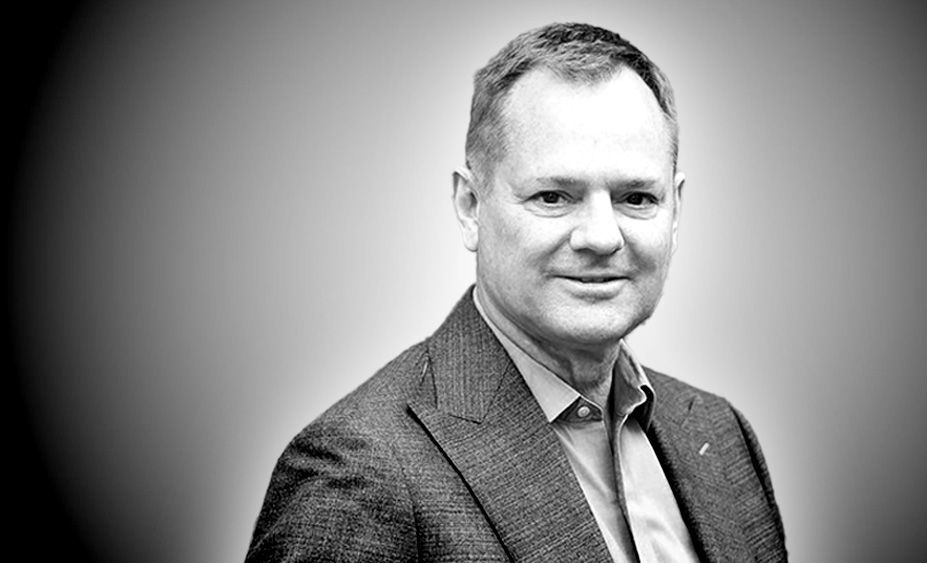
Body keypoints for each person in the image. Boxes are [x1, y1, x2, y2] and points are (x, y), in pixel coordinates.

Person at [246, 22, 787, 562]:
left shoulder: (720, 436)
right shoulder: (358, 473)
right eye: (554, 196)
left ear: (676, 210)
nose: (601, 236)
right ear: (470, 206)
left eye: (637, 198)